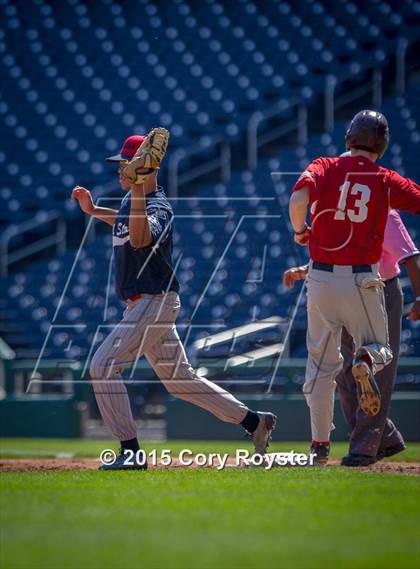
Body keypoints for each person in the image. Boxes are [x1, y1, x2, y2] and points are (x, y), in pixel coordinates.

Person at [71, 131, 276, 470]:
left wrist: (136, 189)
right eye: (121, 164)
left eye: (126, 164)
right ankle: (255, 422)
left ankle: (131, 452)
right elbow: (123, 221)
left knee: (102, 366)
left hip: (155, 301)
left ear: (146, 168)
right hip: (145, 304)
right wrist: (94, 210)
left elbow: (139, 237)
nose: (120, 170)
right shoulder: (131, 201)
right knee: (180, 381)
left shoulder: (159, 208)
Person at [288, 109, 420, 466]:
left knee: (320, 367)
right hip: (362, 279)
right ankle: (365, 358)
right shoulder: (386, 178)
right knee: (381, 350)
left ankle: (319, 446)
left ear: (348, 139)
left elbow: (298, 199)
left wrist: (301, 231)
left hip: (319, 278)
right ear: (383, 145)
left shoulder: (325, 166)